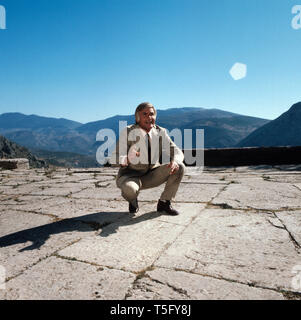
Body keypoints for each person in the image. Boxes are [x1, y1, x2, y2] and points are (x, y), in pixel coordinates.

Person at [110, 102, 185, 215]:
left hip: (153, 175)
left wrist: (175, 161)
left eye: (152, 114)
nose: (149, 117)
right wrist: (126, 159)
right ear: (137, 117)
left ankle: (164, 202)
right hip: (131, 176)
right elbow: (113, 158)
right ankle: (133, 200)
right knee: (129, 190)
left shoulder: (161, 132)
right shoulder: (128, 131)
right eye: (145, 114)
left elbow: (177, 151)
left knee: (179, 167)